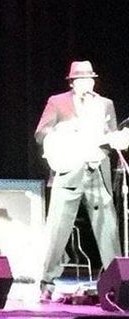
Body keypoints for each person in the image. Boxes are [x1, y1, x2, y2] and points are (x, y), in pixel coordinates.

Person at [35, 59, 128, 300]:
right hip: (69, 171)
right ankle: (47, 283)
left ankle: (117, 285)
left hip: (97, 170)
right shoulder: (58, 102)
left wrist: (117, 140)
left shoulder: (105, 104)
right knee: (58, 229)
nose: (88, 82)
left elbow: (109, 136)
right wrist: (63, 131)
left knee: (108, 229)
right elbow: (41, 133)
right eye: (82, 79)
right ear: (73, 82)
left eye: (90, 78)